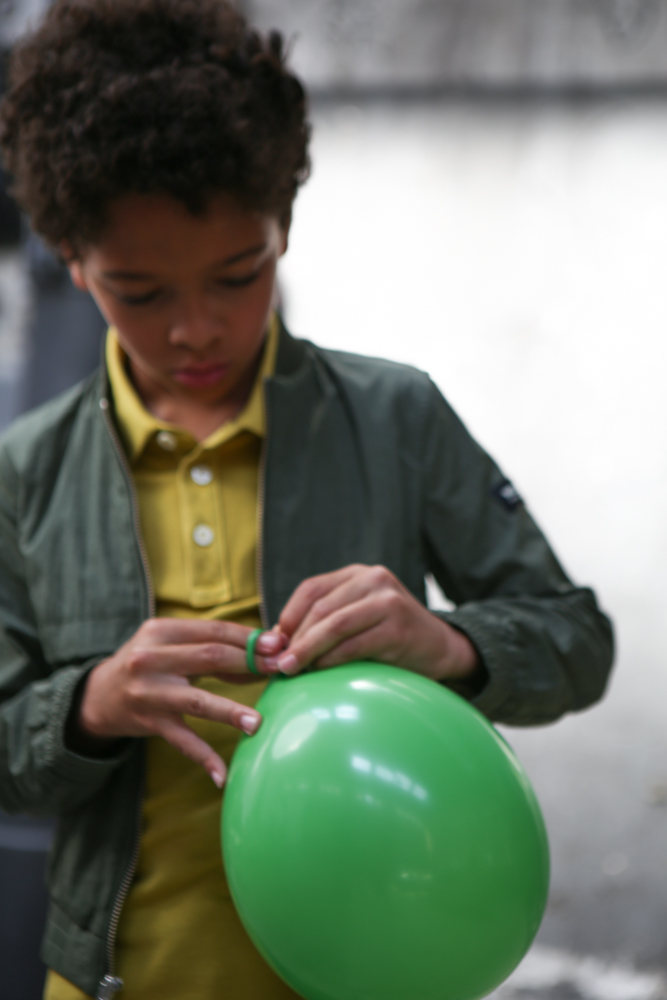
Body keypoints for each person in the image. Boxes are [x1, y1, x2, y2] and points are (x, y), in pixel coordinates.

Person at [0, 1, 613, 998]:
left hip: (373, 972)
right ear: (72, 263)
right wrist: (89, 705)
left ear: (282, 226)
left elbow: (575, 640)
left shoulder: (395, 417)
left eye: (240, 276)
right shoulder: (25, 469)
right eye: (141, 292)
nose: (196, 329)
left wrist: (448, 644)